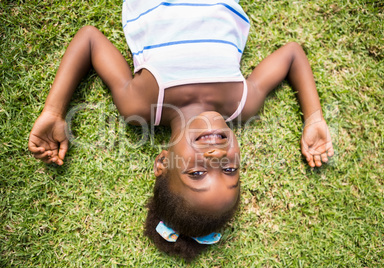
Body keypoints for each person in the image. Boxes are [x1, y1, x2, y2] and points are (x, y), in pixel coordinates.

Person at [28, 0, 334, 261]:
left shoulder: (141, 105)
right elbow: (292, 54)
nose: (215, 156)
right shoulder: (244, 101)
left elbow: (90, 39)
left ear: (162, 162)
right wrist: (314, 118)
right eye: (229, 168)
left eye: (197, 174)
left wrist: (54, 111)